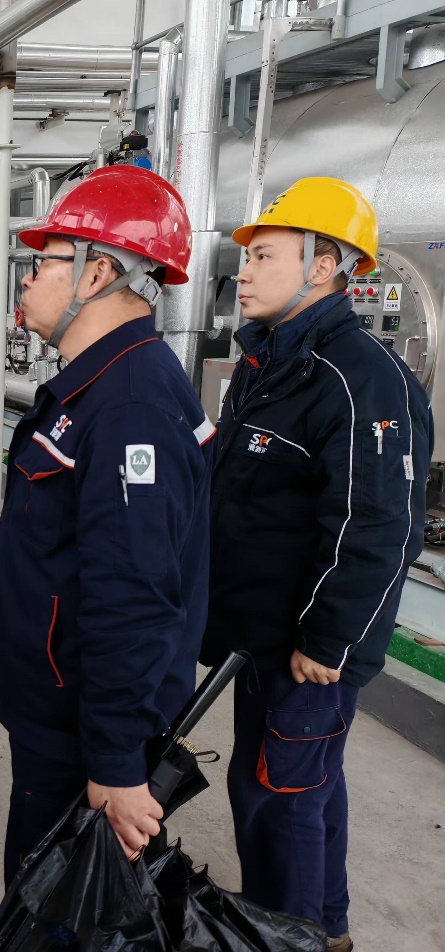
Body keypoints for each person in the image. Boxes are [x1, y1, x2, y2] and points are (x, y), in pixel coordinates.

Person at [204, 177, 431, 952]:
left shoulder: (358, 376)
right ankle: (324, 930)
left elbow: (379, 526)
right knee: (303, 785)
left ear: (323, 265)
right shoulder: (269, 361)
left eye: (263, 256)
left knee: (278, 797)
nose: (244, 272)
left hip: (305, 647)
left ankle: (285, 938)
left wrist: (328, 640)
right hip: (260, 631)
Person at [0, 166, 214, 885]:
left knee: (57, 906)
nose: (27, 280)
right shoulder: (94, 387)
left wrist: (115, 761)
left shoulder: (131, 407)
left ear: (96, 273)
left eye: (44, 262)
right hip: (56, 709)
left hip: (81, 729)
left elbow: (135, 594)